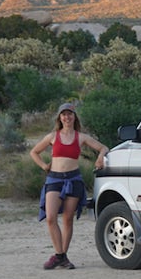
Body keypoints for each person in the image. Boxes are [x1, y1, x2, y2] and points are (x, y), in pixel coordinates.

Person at [29, 101, 108, 270]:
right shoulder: (52, 136)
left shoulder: (81, 137)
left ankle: (61, 257)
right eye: (64, 114)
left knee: (67, 218)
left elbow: (103, 147)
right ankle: (60, 255)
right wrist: (44, 166)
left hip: (73, 179)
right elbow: (34, 152)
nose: (67, 117)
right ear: (60, 117)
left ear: (74, 116)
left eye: (70, 114)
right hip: (54, 179)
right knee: (50, 217)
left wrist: (100, 157)